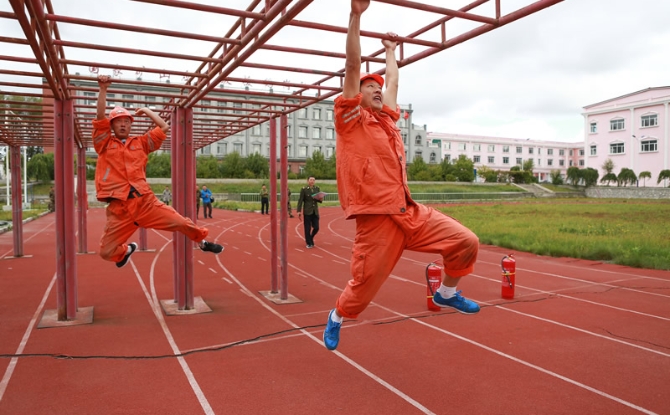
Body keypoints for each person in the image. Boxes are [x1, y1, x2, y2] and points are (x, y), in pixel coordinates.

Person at [322, 0, 480, 351]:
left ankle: (447, 293)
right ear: (356, 95)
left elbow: (393, 79)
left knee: (466, 241)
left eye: (378, 87)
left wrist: (391, 51)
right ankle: (336, 316)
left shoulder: (387, 119)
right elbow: (351, 66)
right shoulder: (349, 122)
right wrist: (356, 17)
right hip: (376, 220)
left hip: (408, 211)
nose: (377, 88)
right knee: (361, 293)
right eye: (369, 86)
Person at [93, 75, 223, 268]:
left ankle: (202, 243)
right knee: (105, 252)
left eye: (126, 121)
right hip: (119, 209)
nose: (123, 124)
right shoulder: (103, 144)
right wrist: (103, 89)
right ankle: (127, 251)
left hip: (145, 202)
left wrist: (146, 110)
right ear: (111, 125)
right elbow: (100, 117)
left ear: (131, 124)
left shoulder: (141, 143)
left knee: (181, 222)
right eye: (118, 121)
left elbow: (163, 127)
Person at [296, 176, 322, 248]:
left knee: (316, 227)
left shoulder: (317, 188)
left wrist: (320, 199)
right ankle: (309, 243)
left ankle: (311, 237)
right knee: (307, 228)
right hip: (307, 211)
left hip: (315, 211)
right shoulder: (304, 189)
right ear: (308, 181)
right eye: (311, 180)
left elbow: (319, 200)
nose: (312, 181)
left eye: (313, 180)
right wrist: (298, 211)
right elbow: (300, 200)